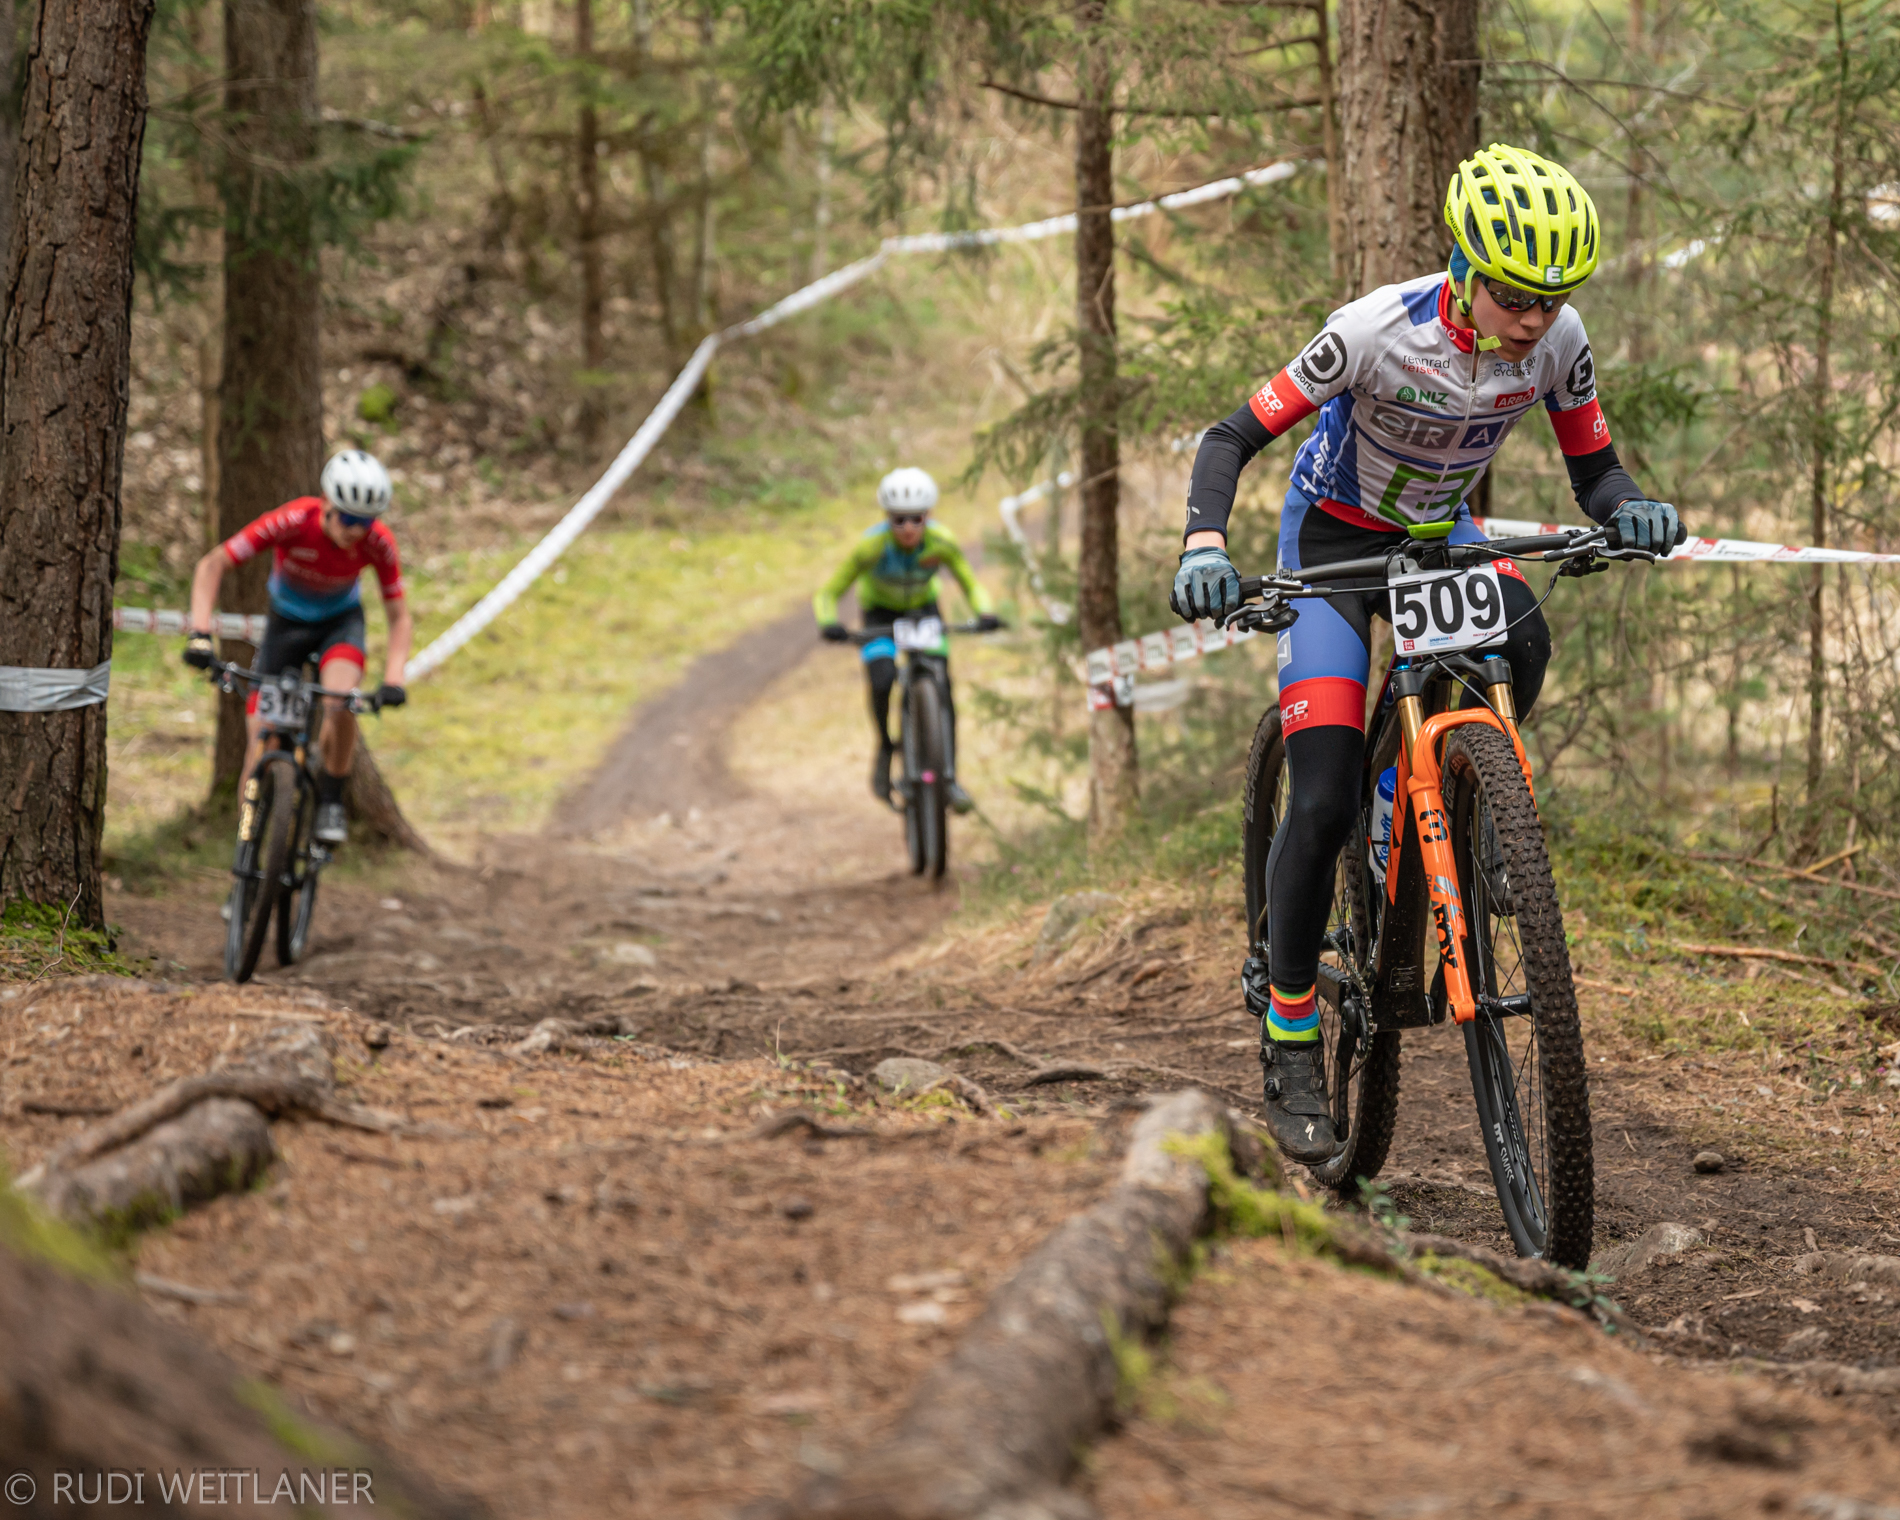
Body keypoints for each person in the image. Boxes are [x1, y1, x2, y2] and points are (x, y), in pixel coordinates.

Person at [1169, 143, 1684, 1162]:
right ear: (1463, 265)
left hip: (1441, 542)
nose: (1533, 318)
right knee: (1319, 797)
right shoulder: (1374, 330)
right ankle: (1290, 1030)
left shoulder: (1558, 340)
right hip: (1331, 545)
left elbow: (1595, 471)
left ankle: (1456, 801)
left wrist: (1631, 509)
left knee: (1522, 638)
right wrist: (1203, 545)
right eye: (1514, 295)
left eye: (1551, 298)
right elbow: (1230, 436)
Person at [185, 450, 411, 847]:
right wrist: (200, 634)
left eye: (365, 521)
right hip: (285, 627)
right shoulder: (293, 520)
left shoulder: (378, 542)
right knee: (260, 741)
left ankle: (331, 799)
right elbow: (212, 564)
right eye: (348, 518)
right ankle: (245, 851)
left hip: (339, 626)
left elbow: (399, 617)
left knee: (340, 700)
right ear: (327, 503)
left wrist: (394, 679)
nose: (356, 530)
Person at [815, 467, 1001, 814]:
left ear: (928, 515)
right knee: (882, 679)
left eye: (917, 519)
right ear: (887, 518)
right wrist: (829, 623)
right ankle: (885, 746)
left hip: (923, 612)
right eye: (899, 520)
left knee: (943, 686)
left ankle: (949, 777)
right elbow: (829, 592)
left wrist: (986, 613)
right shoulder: (871, 546)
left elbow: (970, 582)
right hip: (880, 616)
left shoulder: (941, 542)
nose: (908, 528)